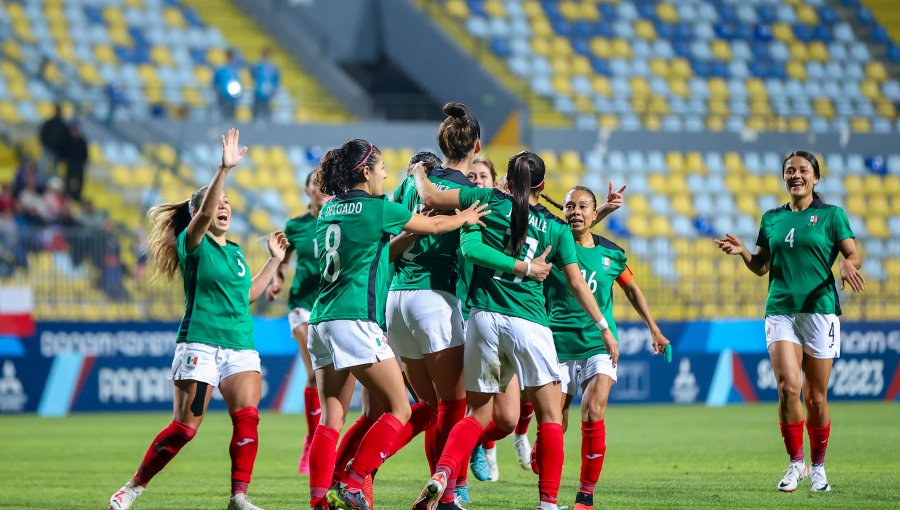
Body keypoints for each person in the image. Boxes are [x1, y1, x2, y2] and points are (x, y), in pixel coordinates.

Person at [411, 151, 619, 510]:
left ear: (506, 180)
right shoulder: (555, 227)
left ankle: (444, 475)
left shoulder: (485, 199)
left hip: (483, 319)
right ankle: (548, 504)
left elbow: (430, 197)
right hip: (530, 324)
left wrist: (418, 172)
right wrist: (604, 327)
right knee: (551, 417)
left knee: (477, 413)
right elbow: (576, 283)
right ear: (542, 185)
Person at [305, 138, 494, 510]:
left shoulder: (329, 211)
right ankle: (356, 483)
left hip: (321, 321)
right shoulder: (377, 207)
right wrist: (465, 218)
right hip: (354, 319)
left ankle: (319, 502)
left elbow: (378, 252)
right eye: (381, 171)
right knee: (401, 408)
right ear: (365, 172)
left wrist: (409, 234)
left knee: (331, 417)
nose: (385, 177)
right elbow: (435, 225)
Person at [108, 129, 289, 510]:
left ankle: (239, 497)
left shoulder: (237, 252)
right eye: (215, 202)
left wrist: (273, 259)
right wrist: (223, 168)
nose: (222, 206)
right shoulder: (193, 244)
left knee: (248, 419)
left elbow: (248, 296)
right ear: (197, 215)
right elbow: (204, 212)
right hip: (201, 343)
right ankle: (133, 487)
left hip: (239, 343)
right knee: (185, 429)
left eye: (226, 202)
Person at [386, 104, 549, 510]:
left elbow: (390, 239)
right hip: (441, 300)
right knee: (457, 410)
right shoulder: (468, 193)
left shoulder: (410, 183)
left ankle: (364, 476)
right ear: (477, 145)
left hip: (396, 300)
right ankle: (449, 490)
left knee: (440, 408)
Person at [715, 150, 864, 493]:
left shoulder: (831, 215)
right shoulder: (771, 219)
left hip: (819, 310)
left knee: (816, 398)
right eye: (790, 171)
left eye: (803, 170)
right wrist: (744, 254)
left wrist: (847, 264)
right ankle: (796, 464)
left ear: (816, 178)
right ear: (784, 178)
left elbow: (852, 253)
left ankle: (819, 467)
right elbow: (762, 266)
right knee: (787, 388)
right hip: (780, 309)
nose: (796, 176)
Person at [543, 186, 669, 510]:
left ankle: (585, 494)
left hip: (600, 344)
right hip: (557, 345)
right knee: (553, 422)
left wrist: (653, 327)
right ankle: (549, 494)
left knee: (593, 410)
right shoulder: (553, 247)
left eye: (583, 206)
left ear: (593, 212)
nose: (575, 211)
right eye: (569, 205)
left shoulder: (612, 254)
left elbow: (632, 290)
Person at [266, 170, 330, 474]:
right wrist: (275, 280)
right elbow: (281, 259)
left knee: (326, 377)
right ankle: (312, 442)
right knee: (314, 374)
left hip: (331, 307)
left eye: (323, 184)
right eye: (314, 184)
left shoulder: (338, 219)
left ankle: (318, 437)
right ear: (306, 190)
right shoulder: (295, 226)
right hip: (302, 306)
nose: (319, 189)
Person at [38, 104, 69, 177]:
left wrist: (61, 150)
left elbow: (65, 140)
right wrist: (45, 144)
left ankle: (51, 185)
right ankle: (41, 183)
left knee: (54, 171)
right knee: (43, 168)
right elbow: (43, 134)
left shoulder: (63, 126)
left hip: (57, 151)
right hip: (47, 148)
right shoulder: (49, 123)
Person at [251, 48, 280, 121]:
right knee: (257, 108)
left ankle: (268, 121)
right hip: (259, 91)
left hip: (267, 92)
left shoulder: (273, 68)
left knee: (267, 108)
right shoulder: (258, 66)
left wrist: (274, 90)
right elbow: (253, 76)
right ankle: (255, 120)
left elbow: (276, 80)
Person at [63, 122, 89, 201]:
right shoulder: (68, 141)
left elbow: (85, 153)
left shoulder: (82, 141)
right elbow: (64, 152)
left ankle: (77, 196)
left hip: (79, 164)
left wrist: (83, 162)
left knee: (80, 181)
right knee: (68, 179)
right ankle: (67, 194)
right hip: (70, 164)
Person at [214, 49, 242, 120]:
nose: (230, 59)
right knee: (223, 115)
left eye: (231, 57)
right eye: (229, 57)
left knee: (231, 115)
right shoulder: (221, 70)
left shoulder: (235, 70)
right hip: (222, 96)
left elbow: (238, 82)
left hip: (233, 97)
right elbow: (215, 82)